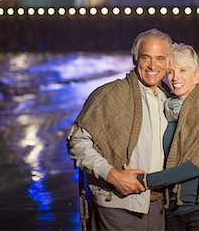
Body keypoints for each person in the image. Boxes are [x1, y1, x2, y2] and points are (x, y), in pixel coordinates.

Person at [67, 28, 172, 231]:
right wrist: (112, 175)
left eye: (160, 58)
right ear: (135, 59)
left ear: (168, 63)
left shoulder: (168, 99)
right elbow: (77, 142)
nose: (153, 65)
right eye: (146, 58)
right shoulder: (109, 94)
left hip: (158, 207)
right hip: (117, 207)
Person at [137, 43, 199, 231]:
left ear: (197, 76)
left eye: (183, 70)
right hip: (170, 209)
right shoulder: (165, 108)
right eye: (171, 72)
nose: (175, 78)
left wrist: (146, 181)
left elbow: (197, 164)